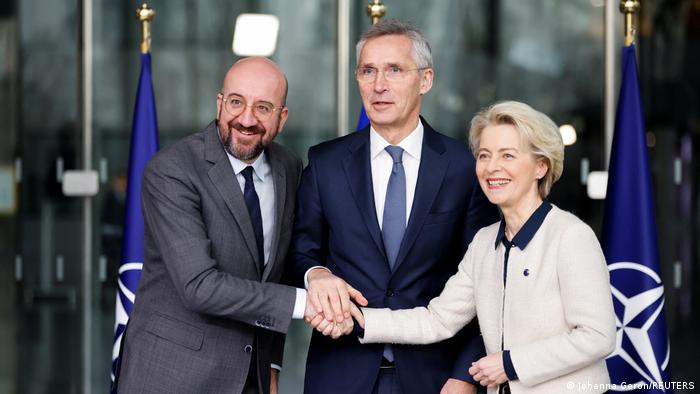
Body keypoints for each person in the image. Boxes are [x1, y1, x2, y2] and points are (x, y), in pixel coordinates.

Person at [115, 57, 365, 394]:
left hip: (252, 378)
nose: (246, 119)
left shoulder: (289, 168)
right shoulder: (172, 170)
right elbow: (199, 286)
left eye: (263, 107)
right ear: (219, 104)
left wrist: (273, 365)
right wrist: (304, 303)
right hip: (171, 376)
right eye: (236, 102)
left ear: (282, 118)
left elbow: (274, 274)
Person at [287, 20, 499, 394]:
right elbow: (300, 251)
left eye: (394, 70)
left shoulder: (464, 168)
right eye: (368, 71)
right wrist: (315, 274)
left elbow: (489, 281)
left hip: (435, 378)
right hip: (340, 373)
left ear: (426, 79)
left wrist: (465, 374)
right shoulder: (325, 163)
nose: (379, 85)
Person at [349, 101, 617, 394]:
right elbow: (437, 320)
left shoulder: (571, 236)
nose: (492, 167)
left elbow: (597, 336)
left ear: (541, 166)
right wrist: (361, 320)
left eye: (508, 156)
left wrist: (511, 364)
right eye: (484, 155)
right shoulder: (484, 242)